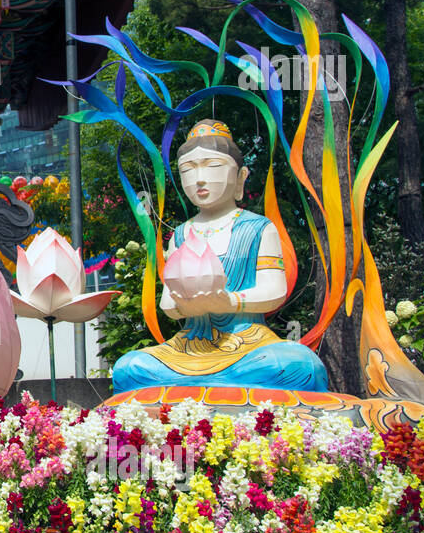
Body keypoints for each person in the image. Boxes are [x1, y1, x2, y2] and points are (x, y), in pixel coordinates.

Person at [113, 120, 329, 392]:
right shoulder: (180, 234)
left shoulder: (258, 227)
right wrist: (184, 307)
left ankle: (199, 392)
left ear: (241, 178)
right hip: (190, 345)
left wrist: (230, 300)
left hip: (249, 344)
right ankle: (220, 391)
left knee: (300, 366)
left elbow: (274, 290)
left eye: (213, 166)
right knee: (129, 368)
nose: (199, 178)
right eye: (188, 170)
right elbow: (168, 300)